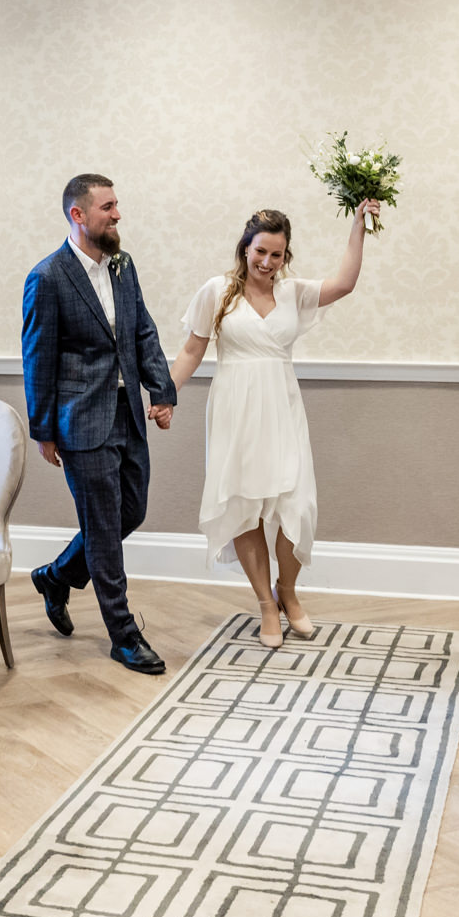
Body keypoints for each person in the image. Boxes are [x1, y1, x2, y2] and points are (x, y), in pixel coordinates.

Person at [167, 204, 378, 649]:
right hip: (234, 411)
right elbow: (191, 350)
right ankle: (266, 604)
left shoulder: (293, 293)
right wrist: (166, 394)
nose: (267, 262)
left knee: (296, 506)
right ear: (245, 248)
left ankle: (288, 590)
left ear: (286, 256)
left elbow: (345, 283)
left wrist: (358, 226)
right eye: (260, 251)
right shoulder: (216, 291)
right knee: (243, 506)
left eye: (277, 255)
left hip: (282, 408)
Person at [22, 174, 178, 676]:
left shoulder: (124, 267)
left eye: (116, 205)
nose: (117, 214)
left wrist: (162, 390)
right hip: (80, 421)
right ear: (78, 214)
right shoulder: (47, 277)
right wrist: (44, 430)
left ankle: (56, 575)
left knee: (129, 511)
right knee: (105, 531)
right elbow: (37, 357)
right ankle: (124, 635)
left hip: (127, 412)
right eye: (108, 206)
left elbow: (142, 329)